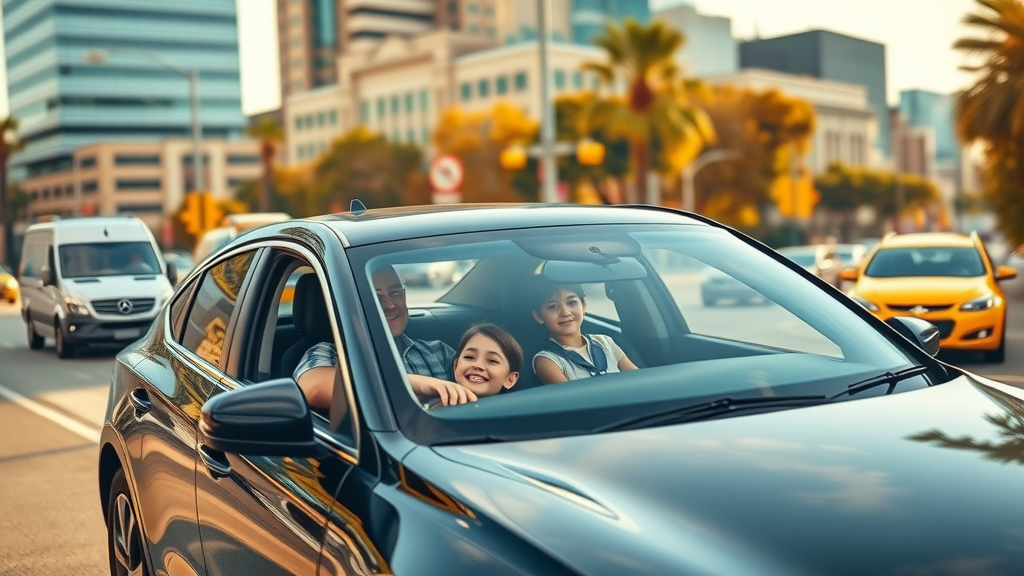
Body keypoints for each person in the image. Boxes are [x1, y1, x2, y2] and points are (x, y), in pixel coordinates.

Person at [294, 265, 477, 411]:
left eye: (395, 292)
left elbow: (482, 392)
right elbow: (314, 388)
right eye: (375, 296)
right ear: (352, 305)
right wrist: (416, 384)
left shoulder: (439, 352)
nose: (390, 305)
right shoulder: (331, 353)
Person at [529, 277, 639, 384]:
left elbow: (639, 380)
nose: (565, 312)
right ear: (539, 316)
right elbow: (573, 400)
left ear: (584, 305)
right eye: (553, 306)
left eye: (572, 303)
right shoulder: (547, 361)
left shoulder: (605, 343)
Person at [449, 323, 522, 399]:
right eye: (469, 357)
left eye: (492, 361)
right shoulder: (438, 399)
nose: (478, 365)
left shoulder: (512, 410)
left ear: (510, 379)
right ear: (455, 365)